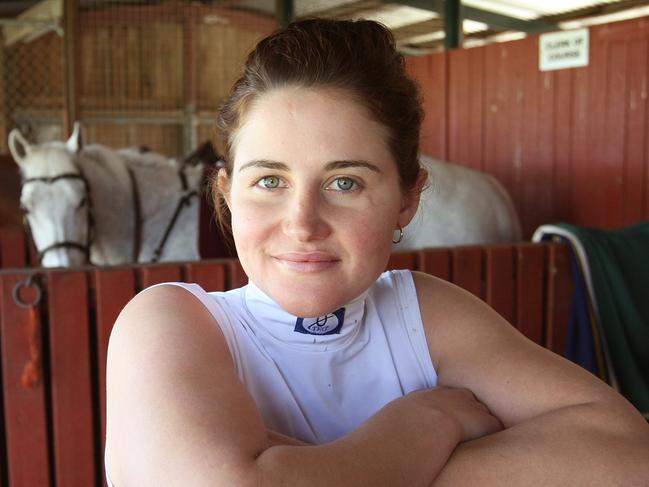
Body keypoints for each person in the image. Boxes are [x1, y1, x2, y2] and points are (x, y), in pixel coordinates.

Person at [105, 19, 649, 486]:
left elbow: (629, 455)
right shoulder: (170, 322)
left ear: (407, 201)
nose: (303, 223)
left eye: (345, 183)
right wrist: (425, 426)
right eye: (270, 180)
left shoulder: (424, 314)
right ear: (226, 195)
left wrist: (311, 469)